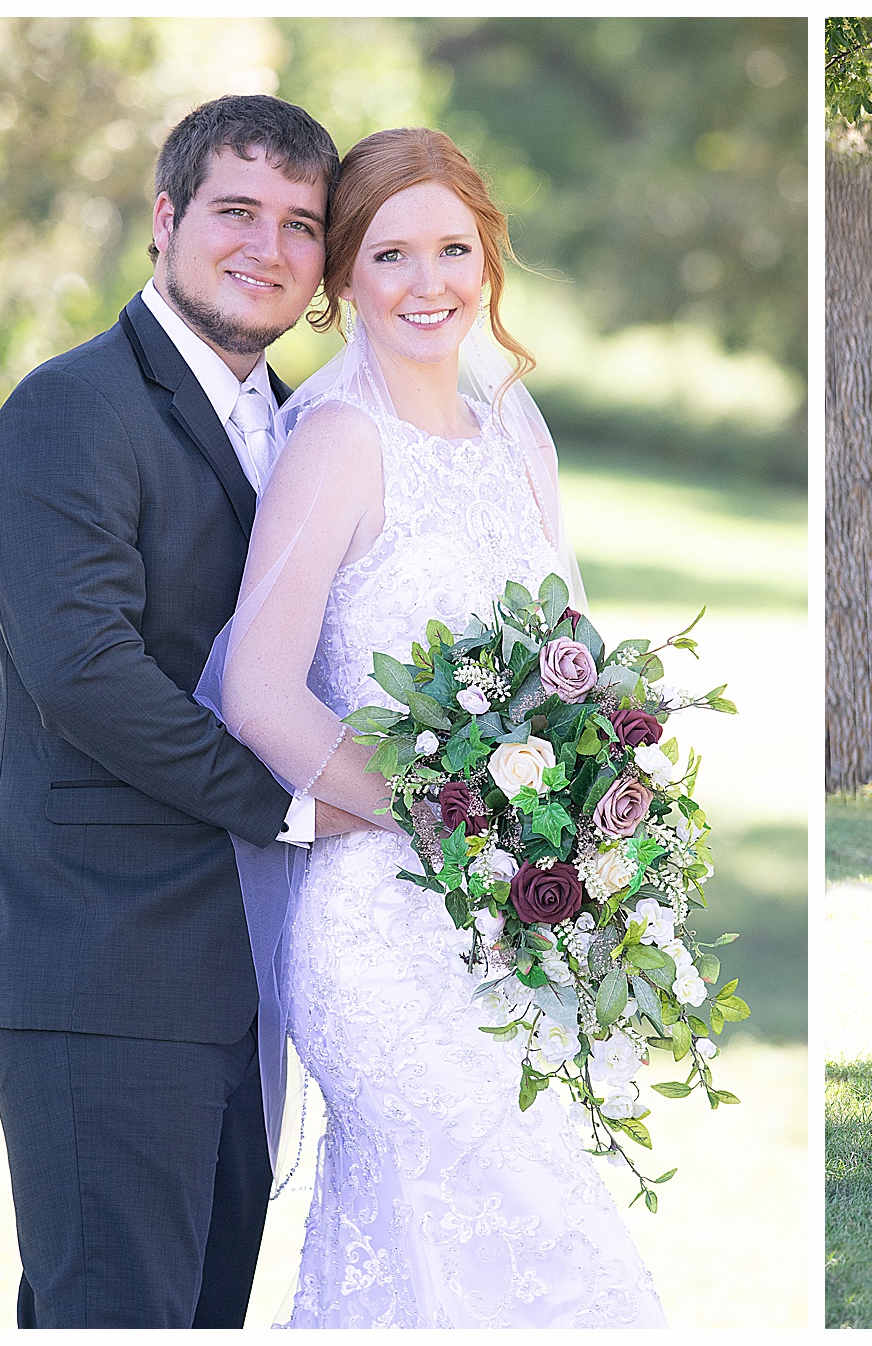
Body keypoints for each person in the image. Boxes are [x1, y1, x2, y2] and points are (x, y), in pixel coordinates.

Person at [213, 127, 666, 1327]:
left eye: (454, 248)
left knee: (523, 1246)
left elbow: (574, 658)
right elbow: (259, 688)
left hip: (513, 930)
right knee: (500, 1227)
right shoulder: (335, 442)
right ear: (343, 279)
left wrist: (589, 822)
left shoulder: (515, 428)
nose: (429, 285)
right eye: (390, 253)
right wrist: (448, 820)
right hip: (378, 931)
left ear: (489, 258)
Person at [0, 95, 342, 1327]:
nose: (266, 246)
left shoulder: (306, 425)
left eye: (301, 224)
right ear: (164, 221)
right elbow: (88, 675)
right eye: (236, 211)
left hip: (235, 981)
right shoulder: (72, 410)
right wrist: (301, 809)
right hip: (100, 967)